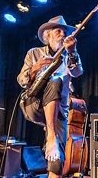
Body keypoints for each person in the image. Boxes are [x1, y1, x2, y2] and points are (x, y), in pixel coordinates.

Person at [17, 15, 83, 178]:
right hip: (33, 104)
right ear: (48, 36)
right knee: (54, 79)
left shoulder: (70, 54)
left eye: (65, 32)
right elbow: (21, 80)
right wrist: (35, 68)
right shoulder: (34, 53)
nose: (62, 34)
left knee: (57, 157)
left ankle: (52, 142)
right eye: (58, 31)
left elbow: (77, 72)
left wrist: (72, 51)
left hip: (58, 110)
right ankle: (51, 136)